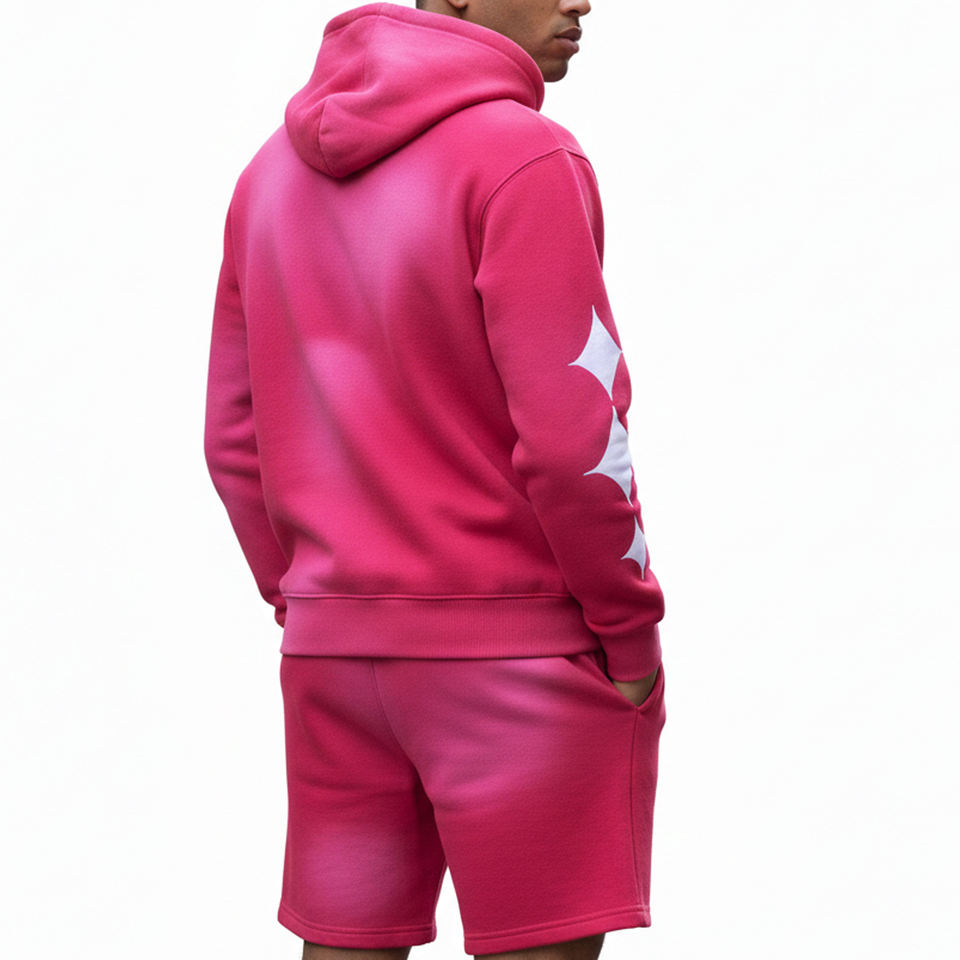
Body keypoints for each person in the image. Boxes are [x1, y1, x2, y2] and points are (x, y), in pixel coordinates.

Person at [203, 2, 667, 958]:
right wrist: (630, 637)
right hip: (517, 662)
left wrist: (313, 605)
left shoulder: (267, 177)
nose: (582, 1)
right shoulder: (524, 157)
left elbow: (233, 437)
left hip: (334, 657)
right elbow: (574, 436)